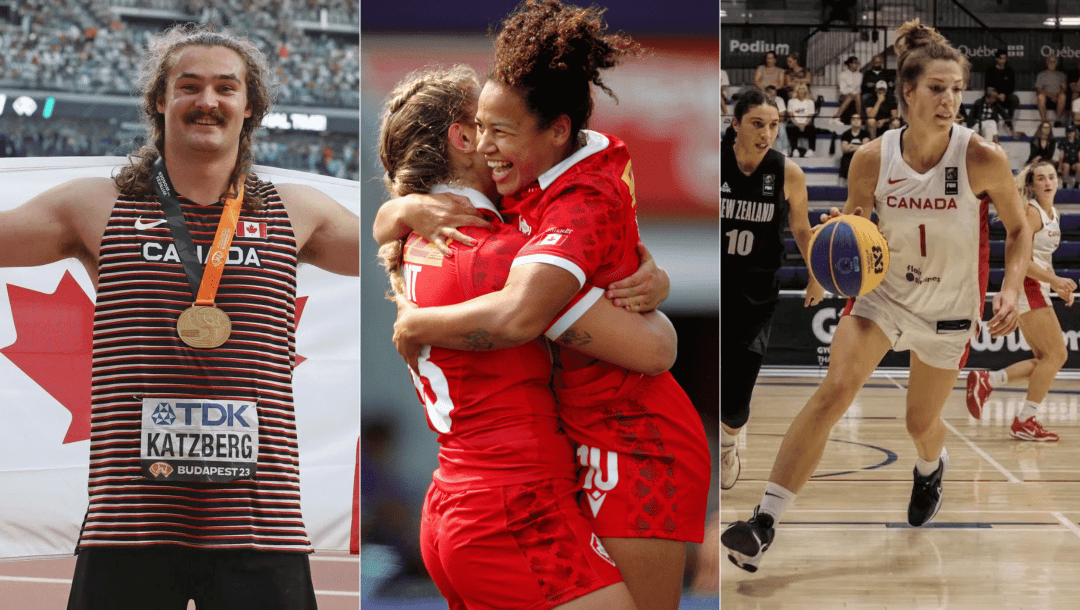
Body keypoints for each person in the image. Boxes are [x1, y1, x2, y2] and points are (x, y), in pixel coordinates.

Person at [0, 25, 360, 609]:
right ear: (161, 101)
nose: (208, 101)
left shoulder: (296, 213)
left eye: (226, 87)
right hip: (130, 521)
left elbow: (403, 251)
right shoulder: (97, 206)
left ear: (250, 107)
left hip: (259, 521)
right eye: (189, 86)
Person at [389, 2, 711, 609]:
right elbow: (653, 340)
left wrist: (416, 319)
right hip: (523, 483)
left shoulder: (557, 209)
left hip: (631, 443)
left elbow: (649, 347)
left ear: (556, 130)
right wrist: (403, 207)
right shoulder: (503, 217)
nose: (487, 144)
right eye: (478, 128)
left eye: (499, 130)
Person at [722, 18, 1032, 573]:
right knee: (834, 391)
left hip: (949, 308)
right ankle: (763, 522)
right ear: (907, 92)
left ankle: (931, 465)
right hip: (883, 297)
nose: (950, 99)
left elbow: (1019, 229)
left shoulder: (982, 156)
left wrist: (1010, 288)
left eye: (957, 88)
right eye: (937, 88)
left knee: (919, 424)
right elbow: (859, 227)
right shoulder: (871, 158)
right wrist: (840, 232)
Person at [721, 88, 823, 492]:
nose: (766, 134)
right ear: (735, 124)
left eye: (774, 126)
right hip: (713, 287)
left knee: (736, 399)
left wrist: (816, 275)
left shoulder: (788, 173)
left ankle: (728, 444)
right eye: (757, 124)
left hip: (757, 294)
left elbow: (801, 228)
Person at [967, 159, 1075, 442]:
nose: (1048, 182)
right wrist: (1055, 281)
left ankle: (988, 381)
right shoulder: (1031, 213)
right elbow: (1022, 261)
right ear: (1032, 184)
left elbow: (1043, 259)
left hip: (1039, 286)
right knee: (1057, 355)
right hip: (1027, 285)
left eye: (1052, 176)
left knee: (1045, 359)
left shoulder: (1055, 214)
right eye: (1041, 178)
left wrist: (1058, 286)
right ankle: (1025, 419)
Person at [985, 49, 1020, 135]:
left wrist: (1004, 94)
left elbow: (1012, 87)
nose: (1002, 60)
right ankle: (1005, 125)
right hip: (994, 96)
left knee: (1015, 99)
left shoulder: (1009, 71)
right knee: (993, 103)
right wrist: (997, 95)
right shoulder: (990, 71)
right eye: (1000, 58)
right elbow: (987, 87)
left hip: (1006, 96)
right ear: (996, 59)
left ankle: (1008, 121)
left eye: (1004, 58)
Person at [785, 83, 818, 157]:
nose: (801, 91)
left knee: (812, 129)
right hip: (795, 123)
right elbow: (791, 116)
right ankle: (794, 150)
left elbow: (810, 117)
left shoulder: (810, 102)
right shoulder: (791, 102)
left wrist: (804, 124)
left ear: (806, 91)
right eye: (799, 89)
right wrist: (798, 124)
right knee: (791, 128)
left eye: (803, 89)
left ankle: (811, 150)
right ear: (796, 91)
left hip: (806, 124)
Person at [1036, 54, 1068, 125]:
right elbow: (1039, 89)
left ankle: (1057, 119)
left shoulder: (1061, 75)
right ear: (1047, 63)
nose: (1052, 63)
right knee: (1040, 96)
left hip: (1057, 98)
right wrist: (1051, 96)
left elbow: (1064, 88)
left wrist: (1057, 95)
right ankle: (1044, 120)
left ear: (1056, 63)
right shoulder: (1041, 75)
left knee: (1063, 96)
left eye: (1054, 62)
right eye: (1050, 61)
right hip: (1046, 98)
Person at [838, 112, 868, 186]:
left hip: (860, 156)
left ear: (861, 121)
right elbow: (844, 148)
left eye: (858, 119)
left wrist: (851, 146)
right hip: (848, 156)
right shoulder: (846, 134)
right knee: (845, 159)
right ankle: (843, 183)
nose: (856, 121)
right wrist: (858, 147)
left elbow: (865, 147)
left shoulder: (865, 133)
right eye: (854, 119)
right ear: (851, 121)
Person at [835, 55, 863, 123]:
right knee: (851, 96)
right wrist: (851, 93)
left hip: (856, 95)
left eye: (858, 63)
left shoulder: (860, 75)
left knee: (857, 95)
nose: (857, 65)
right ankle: (837, 116)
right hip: (845, 94)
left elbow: (859, 89)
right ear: (850, 64)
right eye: (855, 63)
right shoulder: (843, 75)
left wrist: (854, 93)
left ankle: (858, 118)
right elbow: (842, 89)